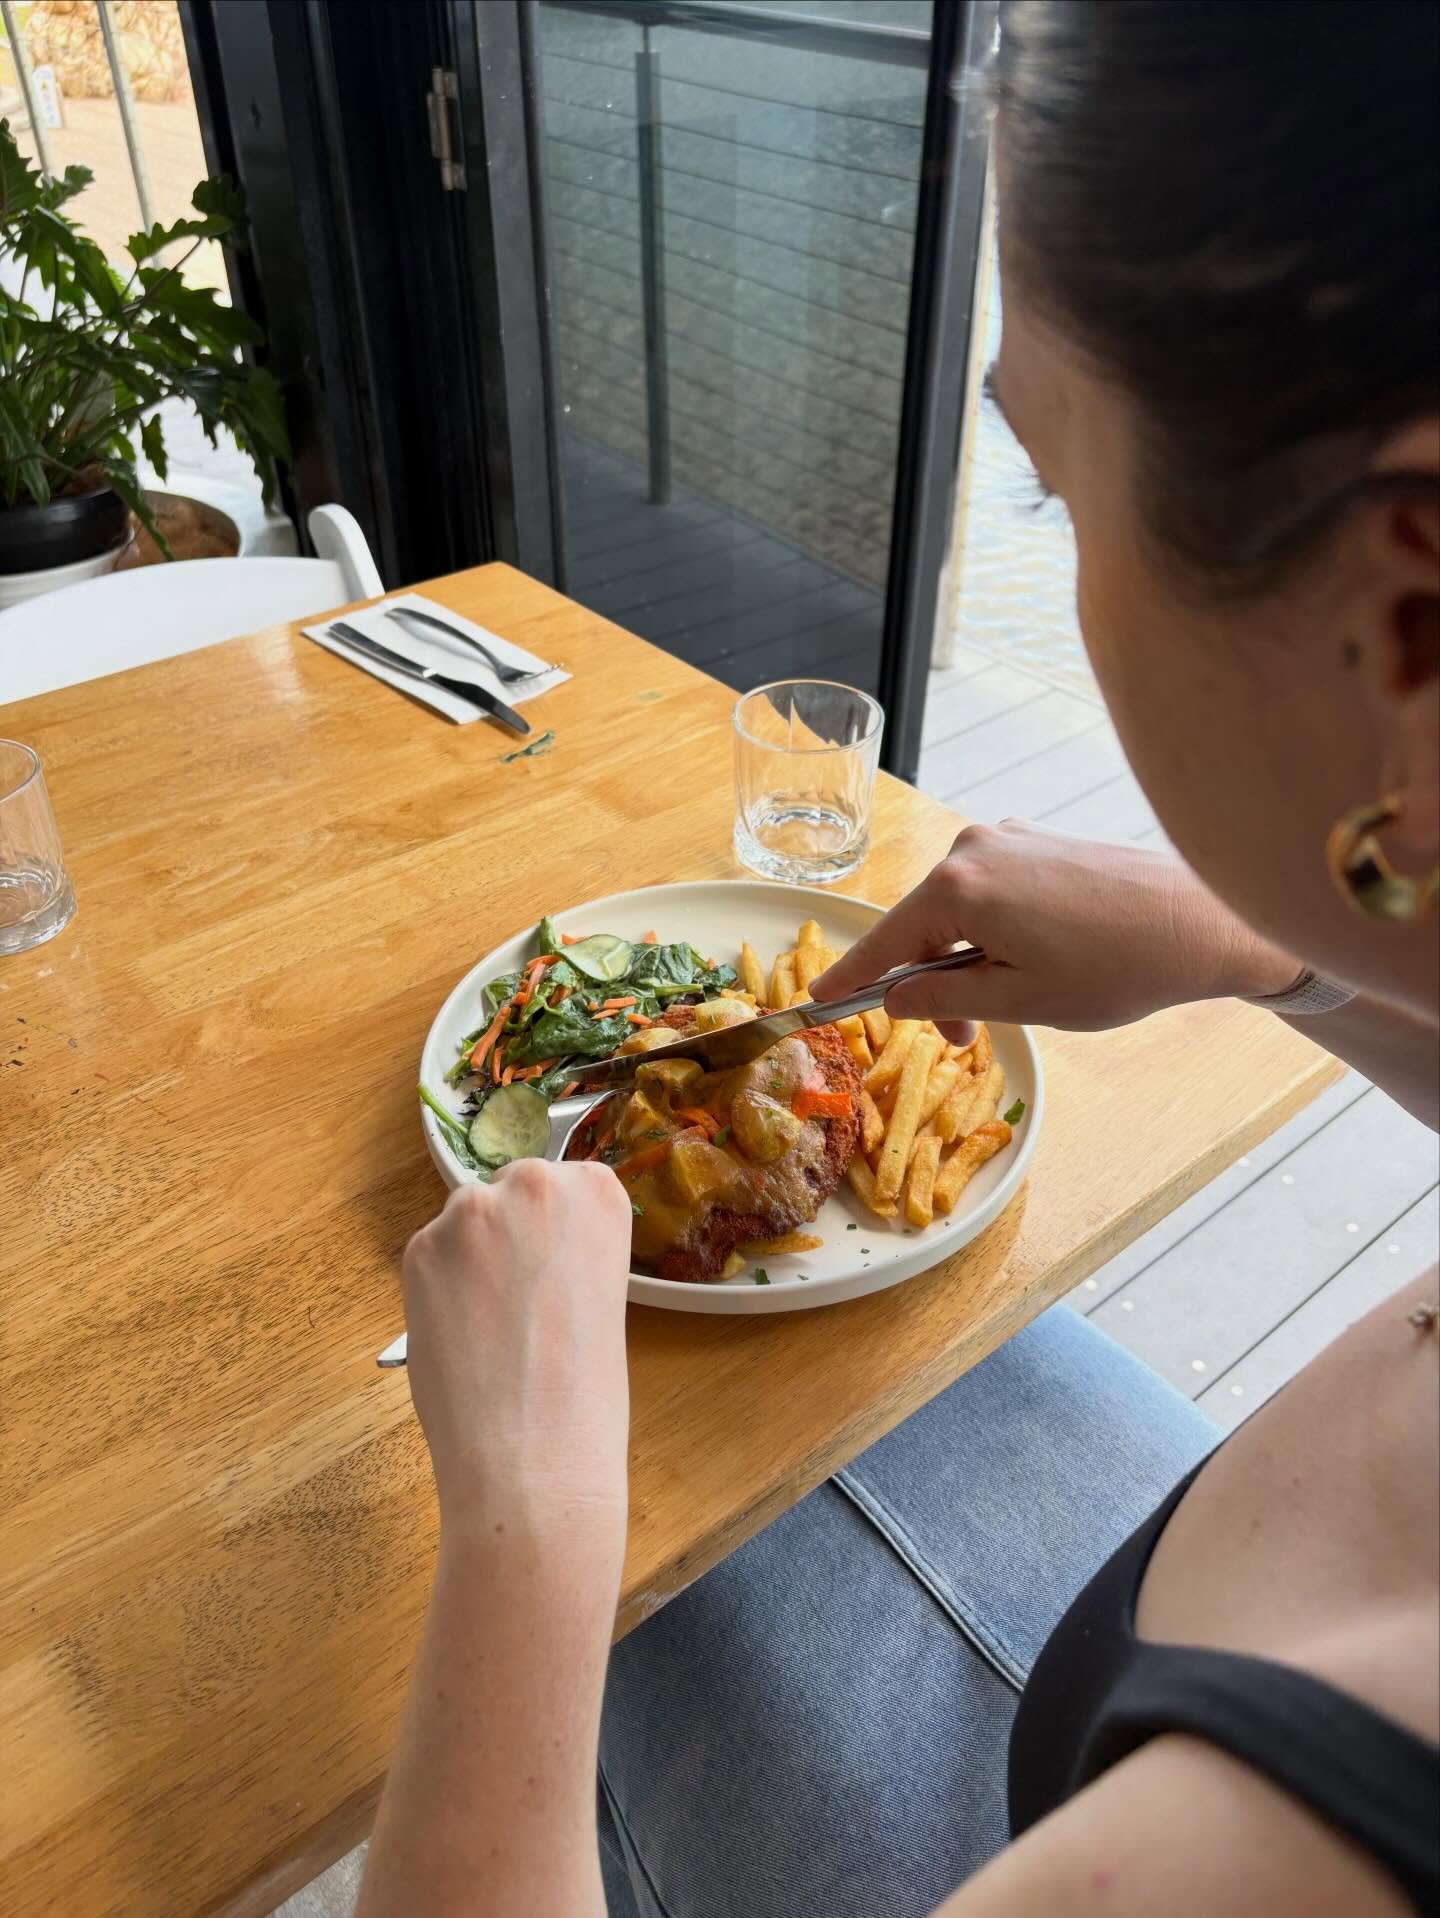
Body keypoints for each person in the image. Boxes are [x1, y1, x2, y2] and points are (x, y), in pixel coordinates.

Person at [354, 4, 1438, 1914]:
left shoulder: (1308, 1843)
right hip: (1150, 1608)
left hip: (1036, 1810)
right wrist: (1249, 947)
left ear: (1408, 603)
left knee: (551, 1599)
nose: (1052, 539)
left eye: (1049, 483)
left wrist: (522, 1536)